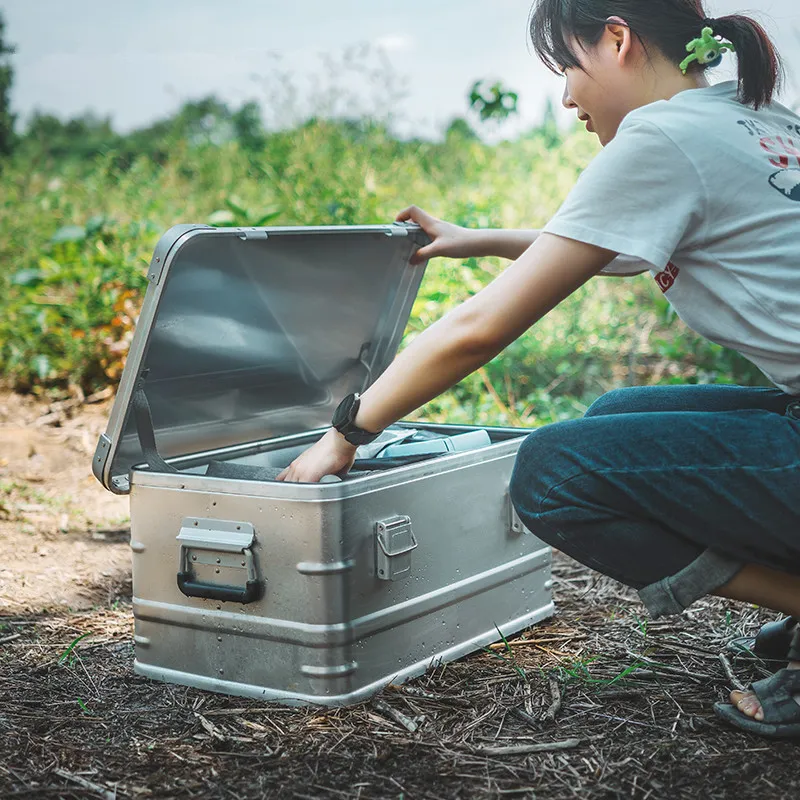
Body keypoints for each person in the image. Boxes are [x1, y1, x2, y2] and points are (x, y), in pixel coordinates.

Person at [278, 0, 800, 738]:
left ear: (617, 39)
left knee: (553, 471)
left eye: (568, 69)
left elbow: (476, 330)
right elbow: (606, 245)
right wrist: (478, 239)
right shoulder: (758, 118)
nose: (566, 99)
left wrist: (346, 433)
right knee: (616, 421)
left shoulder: (661, 138)